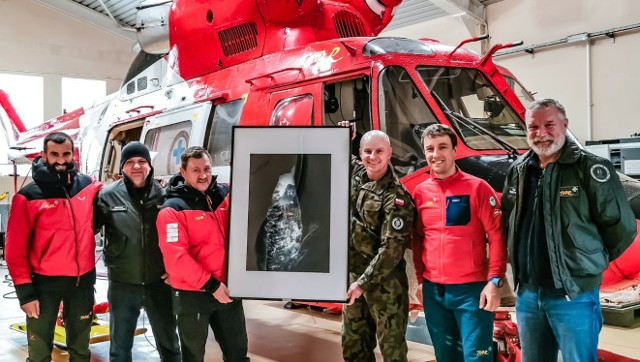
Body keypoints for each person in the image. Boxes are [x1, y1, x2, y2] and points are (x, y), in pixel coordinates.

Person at [501, 98, 637, 362]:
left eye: (549, 125)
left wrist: (588, 262)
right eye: (533, 127)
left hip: (573, 295)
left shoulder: (590, 168)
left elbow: (621, 227)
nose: (541, 133)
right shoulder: (518, 171)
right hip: (528, 295)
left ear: (565, 124)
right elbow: (508, 219)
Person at [412, 123, 507, 362]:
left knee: (478, 357)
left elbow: (496, 236)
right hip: (434, 293)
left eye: (442, 147)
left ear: (455, 150)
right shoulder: (420, 192)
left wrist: (494, 281)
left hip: (471, 293)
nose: (436, 154)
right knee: (445, 357)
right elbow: (418, 239)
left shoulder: (478, 188)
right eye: (430, 149)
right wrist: (421, 279)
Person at [5, 131, 103, 361]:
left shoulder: (87, 185)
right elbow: (14, 249)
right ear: (44, 155)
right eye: (55, 154)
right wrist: (24, 293)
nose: (61, 159)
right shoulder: (27, 197)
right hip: (43, 286)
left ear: (73, 154)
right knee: (39, 354)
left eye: (66, 154)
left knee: (80, 351)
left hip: (82, 283)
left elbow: (111, 191)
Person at [156, 146, 249, 362]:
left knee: (238, 354)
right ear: (183, 172)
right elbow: (176, 258)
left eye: (206, 168)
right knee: (193, 356)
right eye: (196, 170)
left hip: (228, 290)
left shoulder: (224, 196)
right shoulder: (172, 210)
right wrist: (211, 285)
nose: (203, 175)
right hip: (193, 296)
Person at [94, 141, 180, 362]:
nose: (136, 166)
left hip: (159, 283)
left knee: (170, 345)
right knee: (120, 349)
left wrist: (175, 271)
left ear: (150, 165)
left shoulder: (165, 195)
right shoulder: (107, 196)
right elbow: (86, 231)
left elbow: (178, 237)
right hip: (123, 284)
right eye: (130, 162)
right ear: (122, 167)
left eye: (142, 161)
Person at [342, 130, 416, 362]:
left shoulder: (396, 197)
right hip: (355, 282)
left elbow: (391, 250)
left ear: (389, 154)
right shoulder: (357, 175)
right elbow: (340, 154)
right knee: (354, 347)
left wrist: (362, 283)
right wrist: (345, 135)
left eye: (379, 151)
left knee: (392, 351)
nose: (372, 157)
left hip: (385, 287)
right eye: (367, 151)